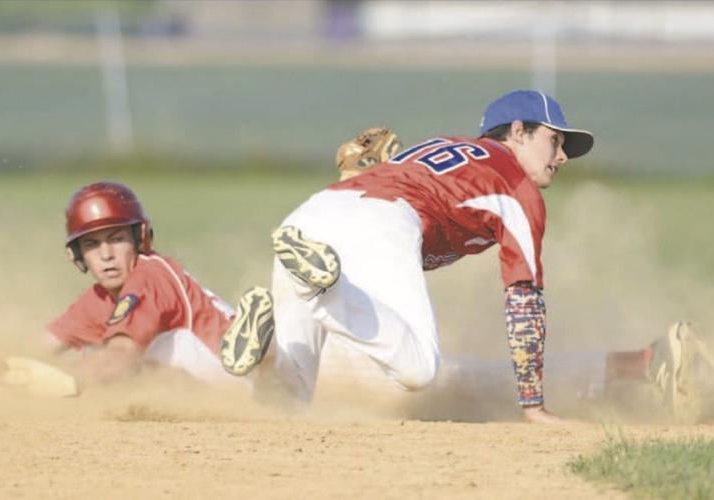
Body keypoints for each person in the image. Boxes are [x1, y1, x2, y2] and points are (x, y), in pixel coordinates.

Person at [220, 89, 596, 423]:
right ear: (518, 131)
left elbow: (372, 186)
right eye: (554, 140)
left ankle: (267, 353)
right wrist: (533, 405)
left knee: (288, 401)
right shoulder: (516, 185)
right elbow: (523, 298)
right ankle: (319, 291)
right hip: (381, 222)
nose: (562, 156)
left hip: (310, 218)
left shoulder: (445, 146)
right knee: (419, 369)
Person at [46, 181, 235, 384]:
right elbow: (44, 345)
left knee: (138, 357)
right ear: (77, 254)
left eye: (117, 239)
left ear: (140, 238)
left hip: (231, 369)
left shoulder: (149, 277)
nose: (106, 255)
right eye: (91, 244)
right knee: (95, 352)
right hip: (203, 373)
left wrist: (63, 378)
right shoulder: (99, 298)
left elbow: (119, 355)